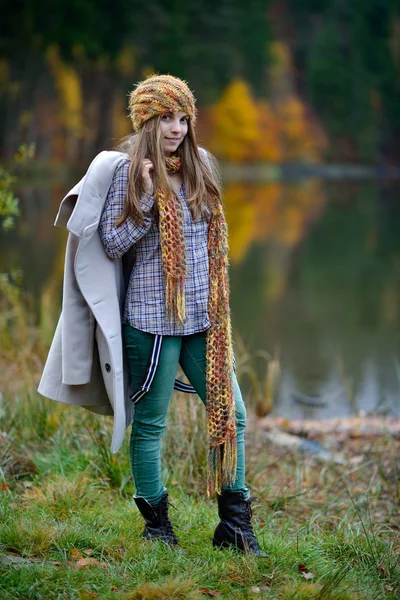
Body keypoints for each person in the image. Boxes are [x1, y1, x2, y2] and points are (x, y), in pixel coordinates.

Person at [97, 74, 265, 555]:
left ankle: (234, 527)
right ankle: (157, 527)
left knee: (232, 413)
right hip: (150, 320)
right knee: (151, 425)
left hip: (203, 318)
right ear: (147, 120)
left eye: (184, 117)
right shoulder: (128, 170)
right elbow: (112, 243)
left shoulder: (202, 164)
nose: (177, 128)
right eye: (167, 118)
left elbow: (212, 238)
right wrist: (147, 196)